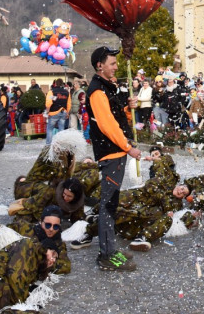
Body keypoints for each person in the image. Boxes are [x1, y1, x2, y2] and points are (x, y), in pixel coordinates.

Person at [84, 46, 140, 272]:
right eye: (112, 63)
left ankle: (111, 248)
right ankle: (106, 255)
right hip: (111, 153)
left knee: (111, 203)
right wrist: (128, 147)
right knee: (107, 205)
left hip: (116, 152)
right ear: (100, 65)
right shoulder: (97, 90)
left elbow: (115, 118)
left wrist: (128, 108)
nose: (116, 67)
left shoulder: (107, 88)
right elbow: (107, 126)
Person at [45, 78, 71, 145]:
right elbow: (69, 104)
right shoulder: (66, 92)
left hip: (54, 112)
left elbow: (48, 103)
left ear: (55, 83)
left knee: (50, 129)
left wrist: (47, 112)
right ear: (62, 84)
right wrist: (67, 112)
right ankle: (61, 144)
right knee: (61, 129)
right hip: (63, 112)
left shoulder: (52, 91)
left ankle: (48, 145)